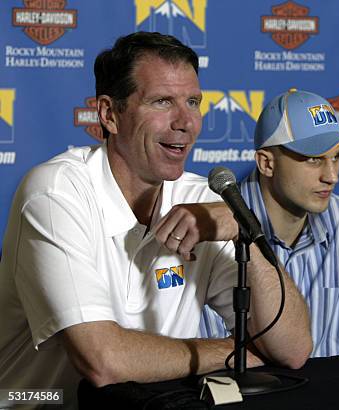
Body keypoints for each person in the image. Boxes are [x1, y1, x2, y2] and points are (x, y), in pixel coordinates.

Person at [0, 32, 311, 408]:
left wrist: (244, 233)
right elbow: (103, 361)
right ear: (109, 114)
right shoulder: (56, 192)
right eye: (162, 101)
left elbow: (292, 349)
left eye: (193, 102)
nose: (186, 122)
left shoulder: (205, 198)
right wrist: (232, 352)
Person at [199, 89, 339, 356]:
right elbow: (210, 350)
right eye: (314, 159)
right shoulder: (217, 226)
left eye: (337, 157)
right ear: (266, 163)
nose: (332, 176)